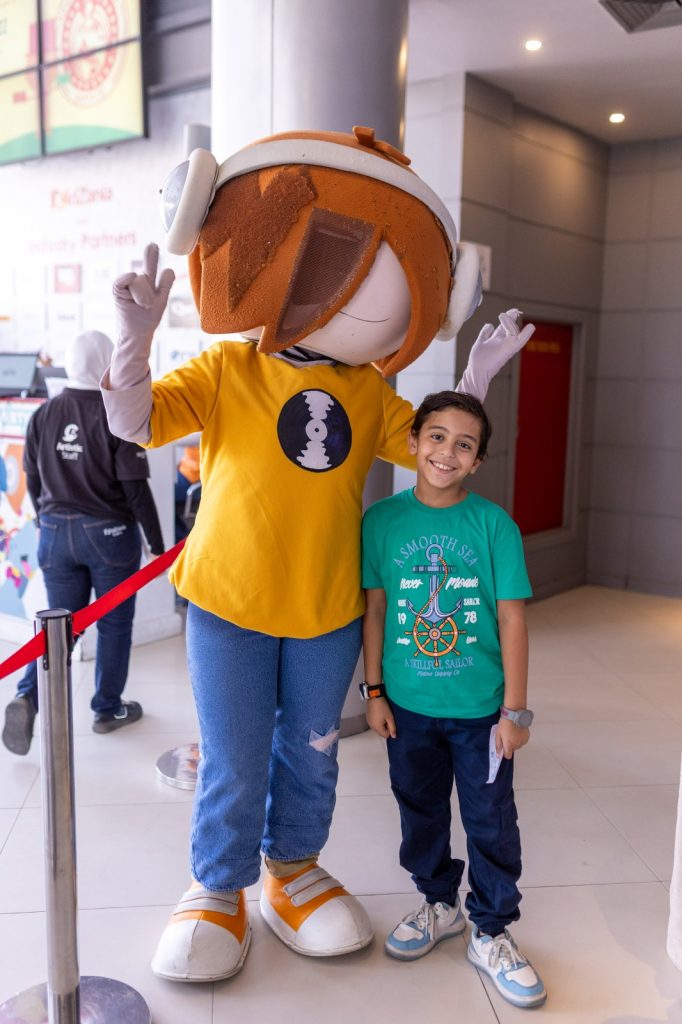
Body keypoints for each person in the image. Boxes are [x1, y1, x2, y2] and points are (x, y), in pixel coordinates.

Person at [102, 127, 534, 983]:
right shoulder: (228, 368)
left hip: (328, 608)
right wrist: (133, 341)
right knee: (234, 757)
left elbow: (437, 451)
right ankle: (219, 883)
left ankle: (292, 868)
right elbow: (135, 422)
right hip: (229, 600)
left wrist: (474, 384)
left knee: (313, 751)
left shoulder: (369, 391)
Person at [361, 390, 546, 1010]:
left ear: (477, 460)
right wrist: (375, 692)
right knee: (419, 809)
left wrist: (514, 712)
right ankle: (439, 902)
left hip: (480, 714)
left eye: (464, 445)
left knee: (490, 817)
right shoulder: (381, 521)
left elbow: (513, 621)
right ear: (413, 441)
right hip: (407, 707)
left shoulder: (493, 526)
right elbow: (376, 611)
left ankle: (490, 930)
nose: (447, 452)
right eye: (436, 436)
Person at [1, 330, 164, 757]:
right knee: (113, 625)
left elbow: (33, 480)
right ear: (109, 363)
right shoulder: (117, 414)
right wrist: (157, 544)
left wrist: (48, 520)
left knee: (59, 628)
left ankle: (27, 696)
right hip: (109, 536)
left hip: (55, 532)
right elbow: (135, 490)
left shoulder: (43, 413)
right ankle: (107, 708)